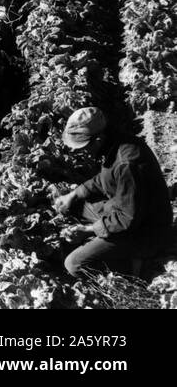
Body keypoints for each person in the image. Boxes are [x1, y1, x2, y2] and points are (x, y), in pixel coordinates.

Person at [53, 107, 173, 279]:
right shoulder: (113, 143)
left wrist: (89, 230)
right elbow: (104, 179)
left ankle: (139, 266)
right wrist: (74, 194)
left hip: (144, 231)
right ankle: (105, 243)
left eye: (82, 145)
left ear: (99, 139)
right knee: (75, 204)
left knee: (74, 265)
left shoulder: (127, 164)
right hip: (123, 209)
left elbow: (126, 220)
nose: (77, 151)